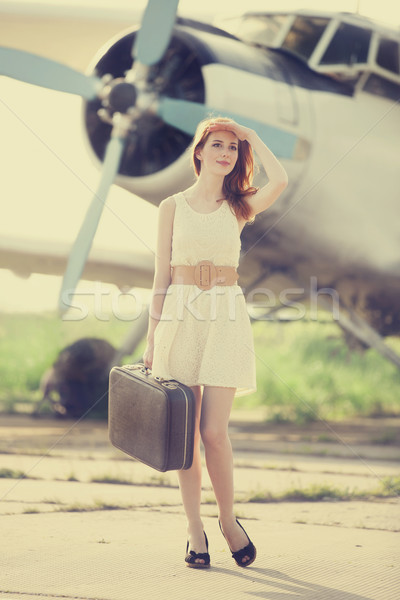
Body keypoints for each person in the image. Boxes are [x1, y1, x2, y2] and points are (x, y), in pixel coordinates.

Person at [143, 116, 288, 568]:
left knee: (214, 433)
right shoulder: (172, 206)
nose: (226, 153)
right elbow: (160, 277)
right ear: (200, 151)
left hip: (225, 315)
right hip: (180, 318)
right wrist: (152, 340)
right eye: (218, 145)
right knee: (185, 438)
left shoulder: (240, 205)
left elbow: (280, 179)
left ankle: (228, 520)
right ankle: (194, 531)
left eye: (232, 147)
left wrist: (253, 137)